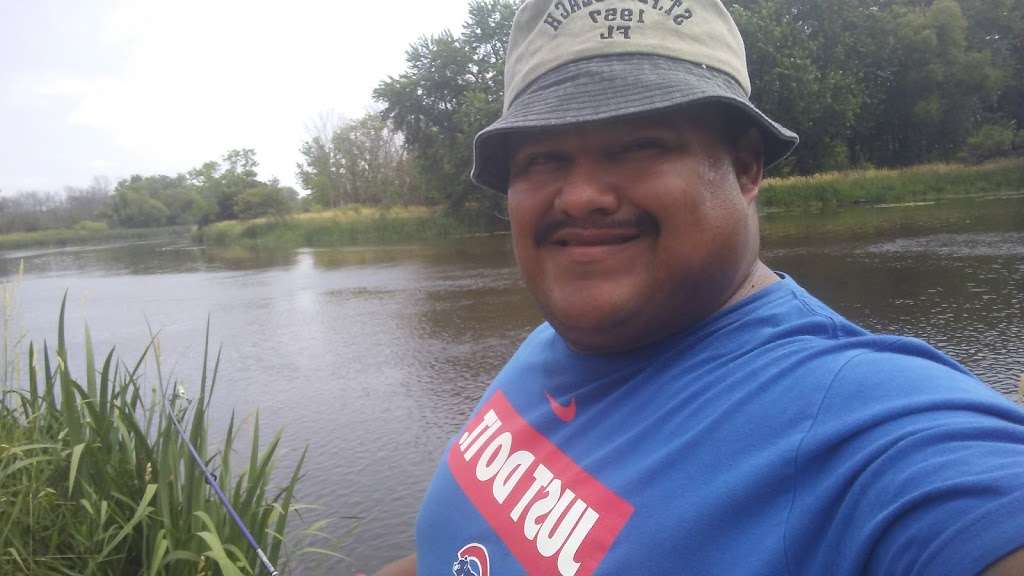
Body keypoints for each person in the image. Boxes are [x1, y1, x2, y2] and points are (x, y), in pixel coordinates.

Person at [378, 0, 1024, 574]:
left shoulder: (860, 426)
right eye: (542, 159)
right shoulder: (554, 343)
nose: (580, 196)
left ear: (744, 167)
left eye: (636, 144)